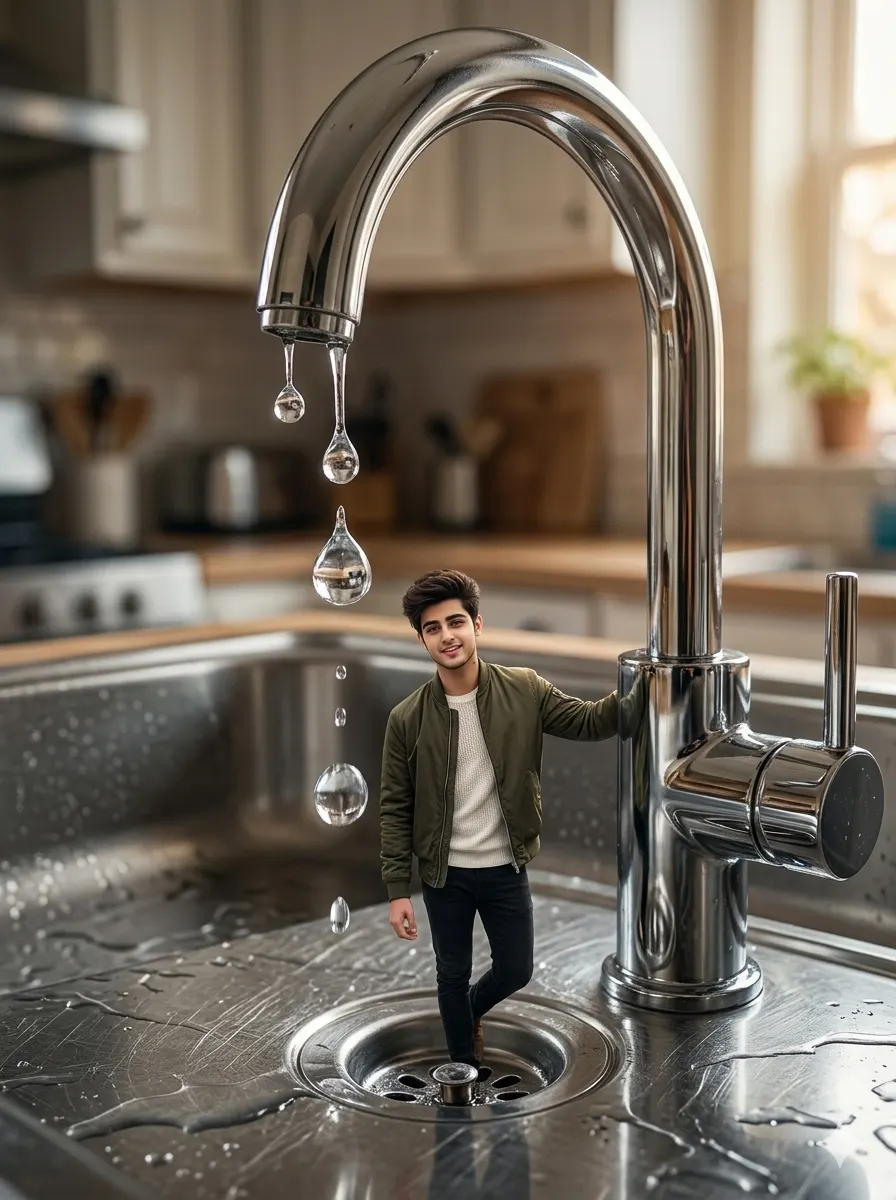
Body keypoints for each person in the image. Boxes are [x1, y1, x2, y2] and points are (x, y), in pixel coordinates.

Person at [379, 568, 640, 1072]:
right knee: (450, 974)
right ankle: (461, 1065)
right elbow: (395, 805)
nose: (446, 635)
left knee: (516, 969)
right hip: (444, 875)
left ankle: (465, 1015)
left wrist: (650, 685)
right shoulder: (406, 719)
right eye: (432, 628)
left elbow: (588, 722)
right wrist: (396, 889)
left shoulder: (525, 689)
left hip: (504, 866)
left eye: (455, 622)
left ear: (478, 624)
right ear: (421, 639)